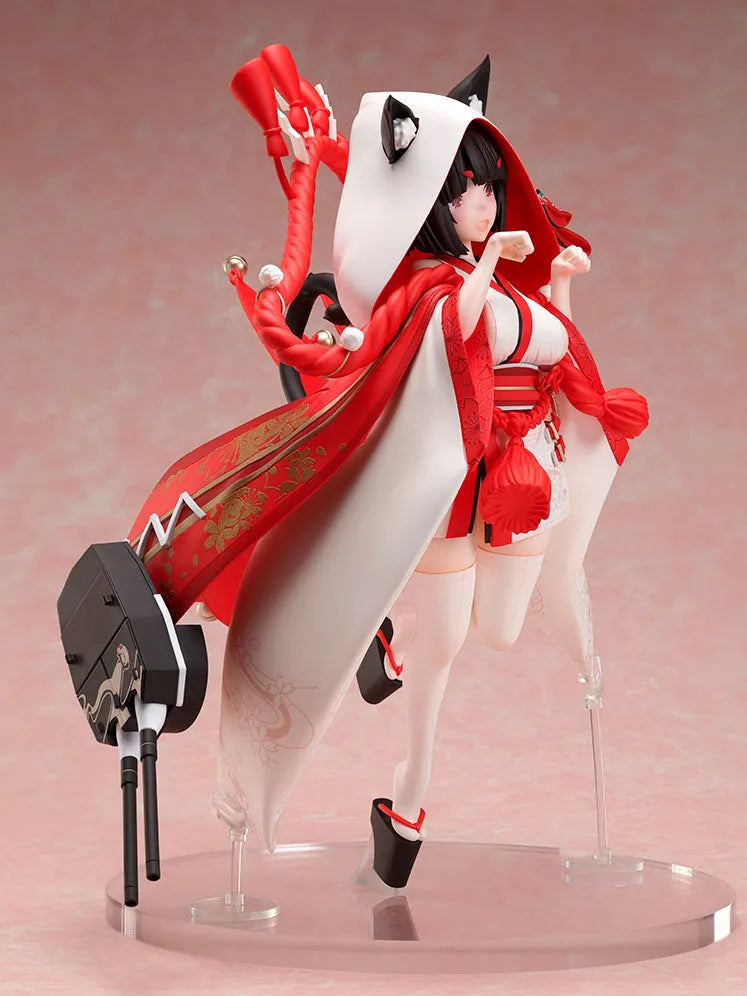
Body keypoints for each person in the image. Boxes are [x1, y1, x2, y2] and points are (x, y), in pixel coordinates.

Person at [128, 48, 647, 889]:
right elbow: (463, 322)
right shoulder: (433, 289)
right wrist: (491, 264)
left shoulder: (492, 280)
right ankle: (407, 801)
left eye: (489, 188)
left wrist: (554, 279)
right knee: (442, 651)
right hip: (449, 487)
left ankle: (385, 641)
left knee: (499, 630)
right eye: (466, 191)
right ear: (436, 204)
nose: (483, 203)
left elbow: (549, 350)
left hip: (519, 480)